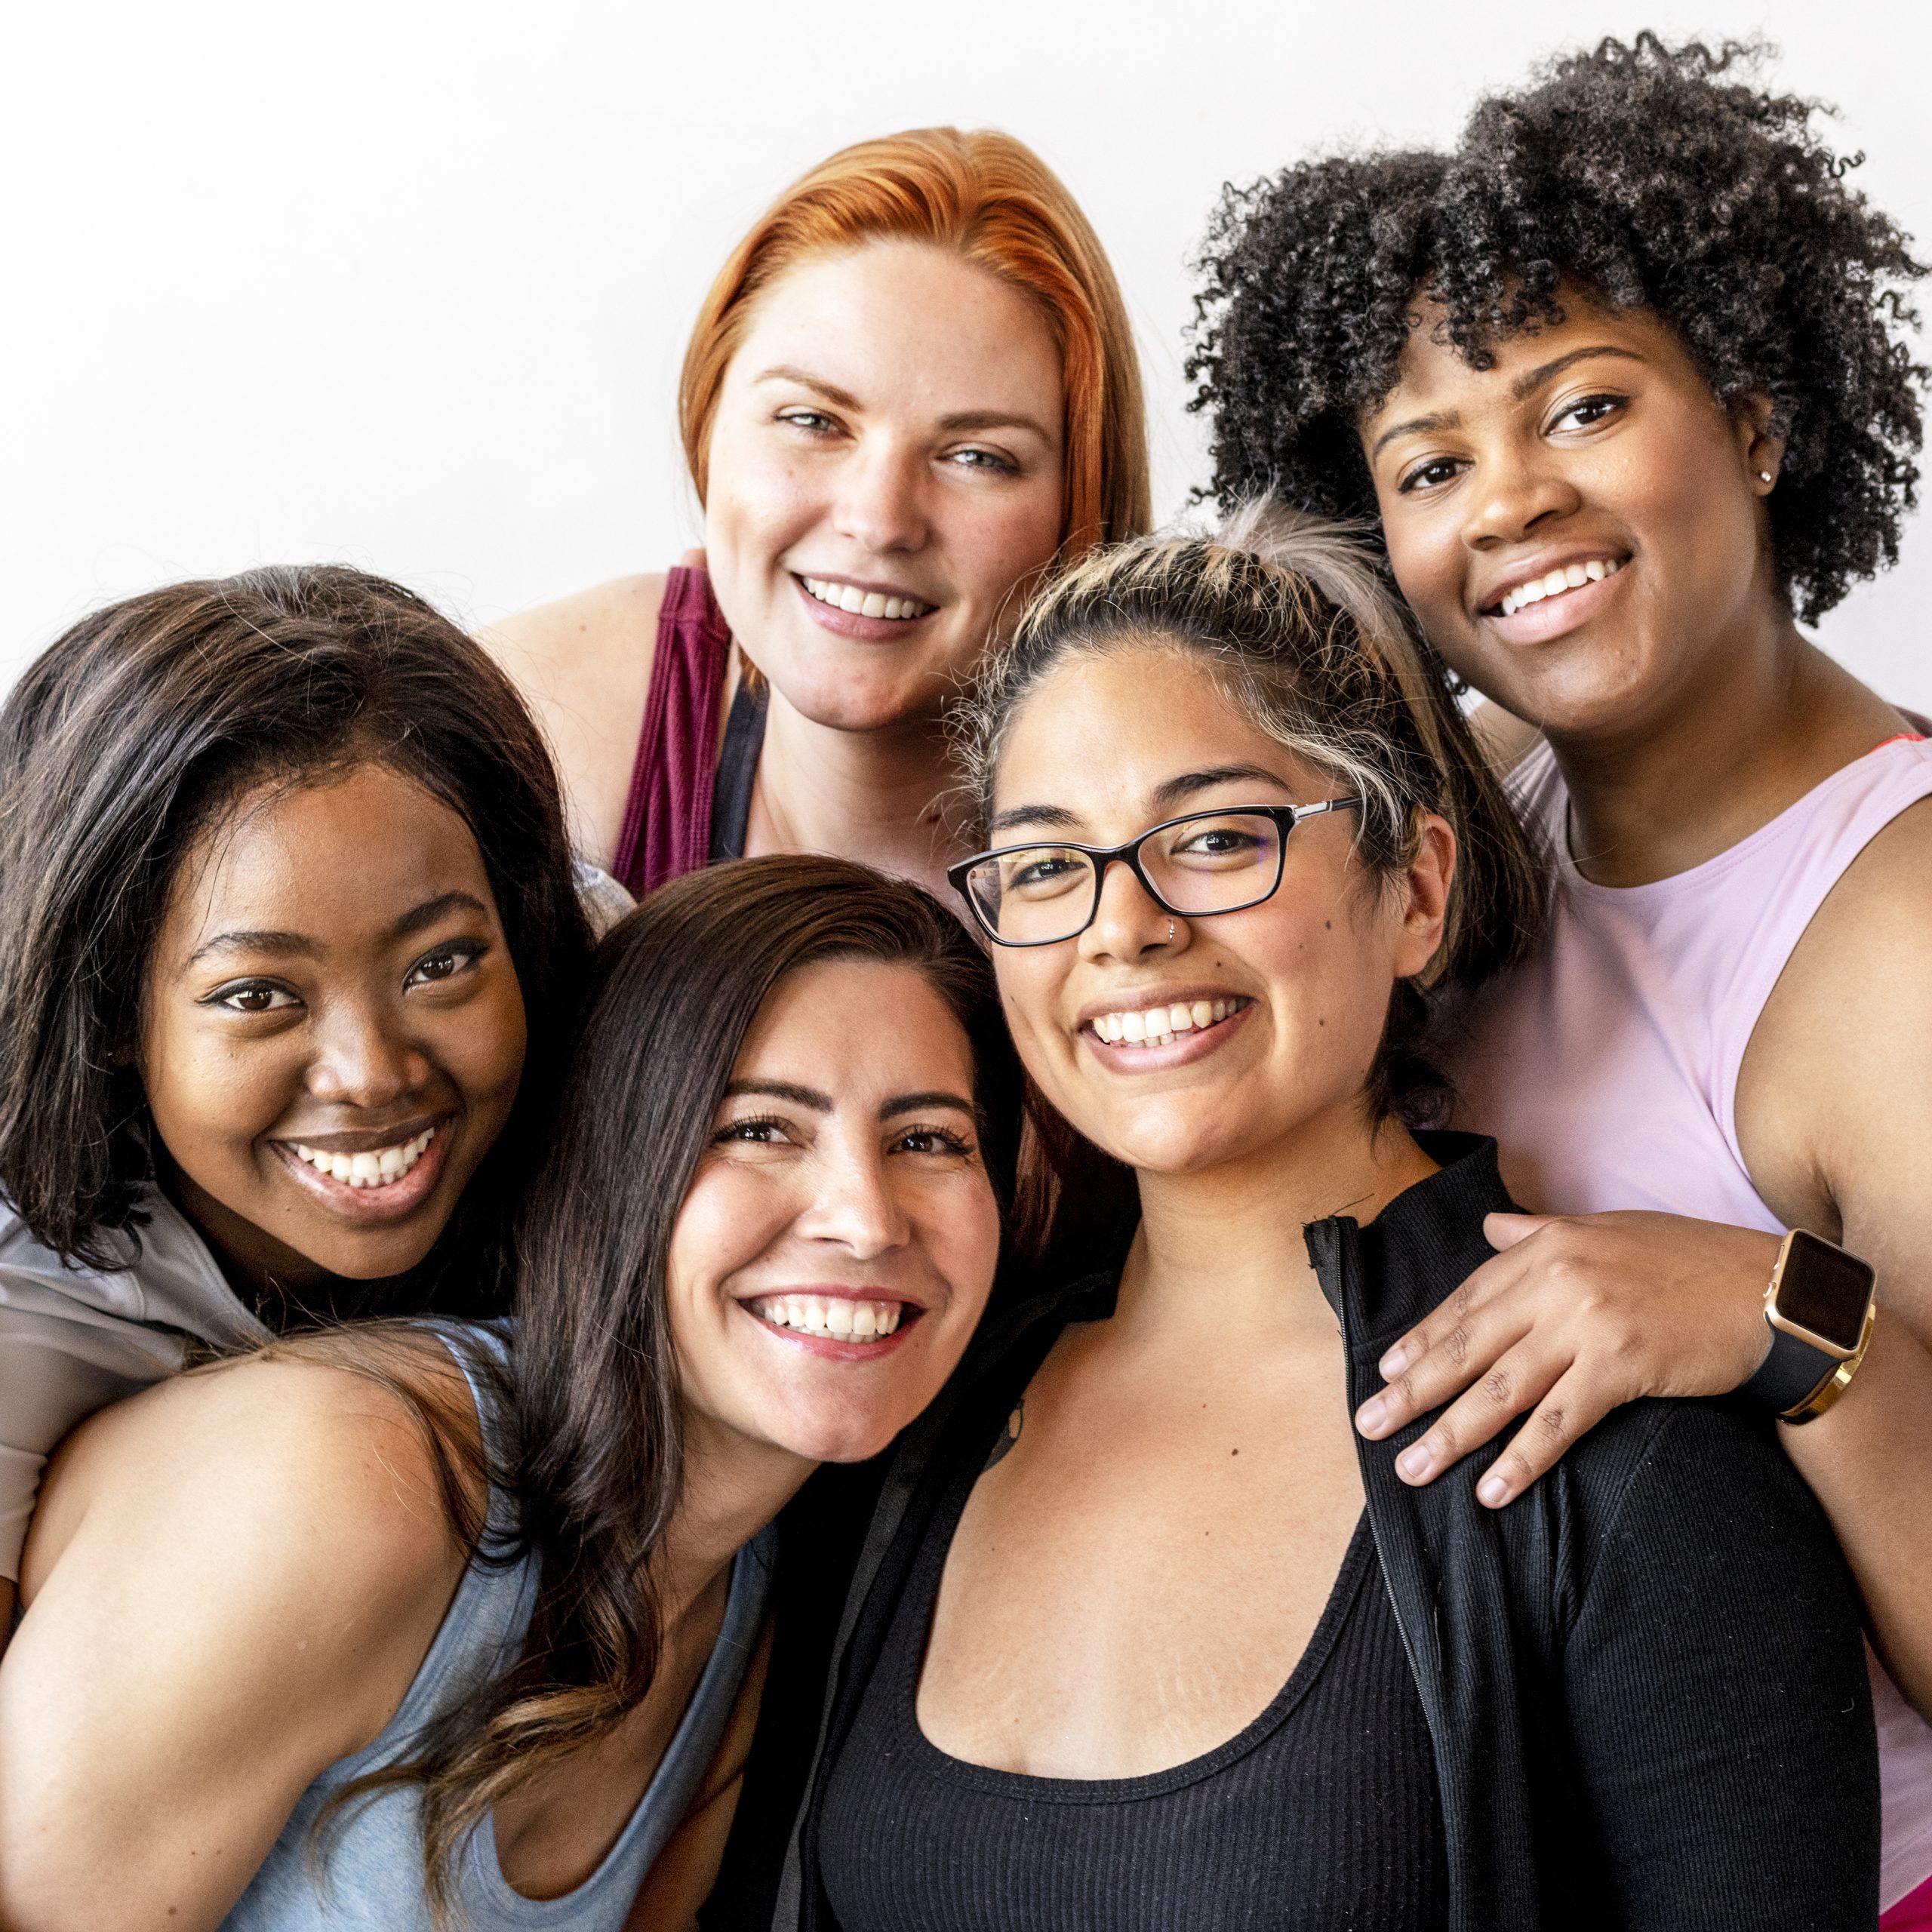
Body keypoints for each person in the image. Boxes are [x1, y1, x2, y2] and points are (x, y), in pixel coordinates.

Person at [773, 518, 1878, 1930]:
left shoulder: (1624, 1466)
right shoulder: (917, 1403)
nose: (1126, 928)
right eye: (1048, 866)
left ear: (1413, 892)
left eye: (1219, 837)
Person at [1189, 33, 1932, 1922]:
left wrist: (1785, 1314)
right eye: (1428, 461)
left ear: (1754, 416)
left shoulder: (1897, 928)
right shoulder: (1473, 821)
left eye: (1580, 408)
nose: (1505, 499)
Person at [0, 856, 1017, 1930]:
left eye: (928, 1140)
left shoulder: (753, 1612)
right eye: (759, 1129)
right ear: (616, 1162)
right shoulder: (345, 1476)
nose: (865, 1219)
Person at [0, 565, 591, 1638]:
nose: (370, 1072)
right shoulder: (22, 1294)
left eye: (441, 964)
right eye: (259, 995)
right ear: (111, 1016)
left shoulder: (614, 1015)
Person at [485, 125, 1149, 903]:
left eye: (976, 456)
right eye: (812, 421)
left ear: (1082, 507)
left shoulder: (1180, 802)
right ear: (708, 427)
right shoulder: (539, 726)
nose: (877, 520)